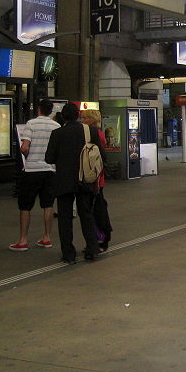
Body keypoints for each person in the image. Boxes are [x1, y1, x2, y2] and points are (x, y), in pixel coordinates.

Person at [45, 103, 104, 263]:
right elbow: (100, 155)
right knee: (86, 214)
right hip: (84, 179)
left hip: (64, 181)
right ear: (78, 115)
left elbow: (49, 158)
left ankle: (68, 254)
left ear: (63, 117)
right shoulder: (89, 131)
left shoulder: (57, 133)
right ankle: (92, 249)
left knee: (65, 218)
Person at [9, 98, 60, 252]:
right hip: (50, 170)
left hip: (31, 170)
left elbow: (24, 147)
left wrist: (29, 156)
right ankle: (47, 237)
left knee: (25, 205)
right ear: (51, 111)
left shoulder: (31, 124)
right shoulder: (56, 126)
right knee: (48, 204)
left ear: (38, 109)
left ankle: (23, 240)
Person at [80, 109, 112, 250]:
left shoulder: (94, 134)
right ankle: (100, 237)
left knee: (95, 210)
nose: (82, 120)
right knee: (98, 208)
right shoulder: (98, 132)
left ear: (92, 119)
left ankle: (100, 238)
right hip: (98, 177)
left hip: (95, 178)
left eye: (85, 118)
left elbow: (96, 158)